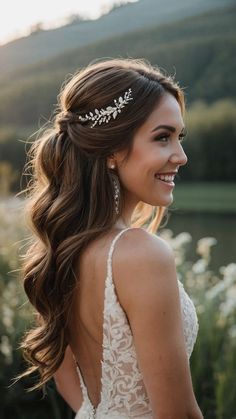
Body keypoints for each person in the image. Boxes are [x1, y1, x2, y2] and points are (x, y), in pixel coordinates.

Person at [19, 58, 203, 419]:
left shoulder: (63, 248)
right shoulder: (141, 254)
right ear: (112, 150)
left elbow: (67, 380)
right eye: (162, 137)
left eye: (179, 138)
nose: (180, 156)